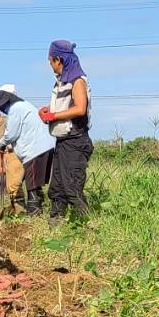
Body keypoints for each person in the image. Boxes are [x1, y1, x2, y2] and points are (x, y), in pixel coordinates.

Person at [40, 39, 92, 220]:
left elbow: (80, 108)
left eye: (50, 61)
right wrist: (48, 112)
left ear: (58, 59)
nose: (50, 65)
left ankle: (86, 225)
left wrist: (53, 116)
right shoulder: (61, 82)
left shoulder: (77, 81)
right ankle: (55, 222)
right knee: (57, 186)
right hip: (63, 141)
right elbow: (65, 108)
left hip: (76, 141)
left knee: (72, 187)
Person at [0, 85, 54, 215]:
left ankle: (34, 215)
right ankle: (38, 212)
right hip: (43, 147)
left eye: (2, 106)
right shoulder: (25, 105)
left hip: (35, 150)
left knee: (32, 185)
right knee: (35, 183)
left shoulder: (16, 108)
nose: (2, 109)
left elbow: (12, 133)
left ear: (9, 100)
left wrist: (1, 144)